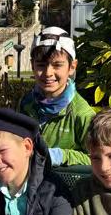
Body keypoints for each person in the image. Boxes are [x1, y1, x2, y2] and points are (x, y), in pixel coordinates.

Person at [19, 26, 94, 167]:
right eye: (41, 65)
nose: (48, 73)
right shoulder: (26, 103)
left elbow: (98, 159)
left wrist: (61, 156)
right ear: (32, 66)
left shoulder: (82, 115)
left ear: (72, 67)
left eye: (57, 65)